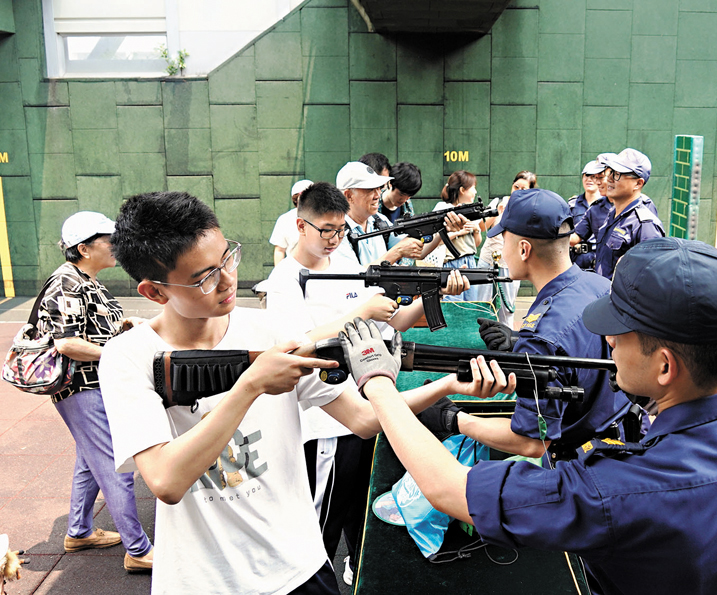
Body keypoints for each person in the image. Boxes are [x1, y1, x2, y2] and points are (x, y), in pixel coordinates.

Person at [339, 237, 717, 595]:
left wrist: (378, 383)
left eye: (620, 332)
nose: (610, 341)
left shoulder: (619, 486)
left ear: (665, 366)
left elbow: (450, 489)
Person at [99, 191, 487, 594]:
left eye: (227, 258)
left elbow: (365, 420)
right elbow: (165, 480)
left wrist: (450, 383)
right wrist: (250, 386)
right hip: (205, 580)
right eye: (204, 277)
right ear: (155, 292)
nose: (229, 279)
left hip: (298, 566)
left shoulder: (270, 332)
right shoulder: (129, 356)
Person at [264, 182, 469, 576]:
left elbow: (392, 324)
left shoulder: (344, 266)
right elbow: (296, 347)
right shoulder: (285, 281)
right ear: (299, 224)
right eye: (326, 230)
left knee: (361, 516)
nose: (334, 238)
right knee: (321, 523)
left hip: (368, 406)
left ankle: (357, 572)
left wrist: (435, 291)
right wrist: (361, 312)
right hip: (324, 421)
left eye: (340, 230)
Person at [451, 188, 631, 468]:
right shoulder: (600, 285)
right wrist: (519, 343)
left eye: (504, 239)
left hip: (576, 469)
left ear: (524, 249)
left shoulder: (541, 336)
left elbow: (531, 442)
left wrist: (454, 419)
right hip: (621, 447)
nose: (501, 248)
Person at [37, 211, 153, 573]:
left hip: (94, 385)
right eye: (108, 239)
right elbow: (67, 342)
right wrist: (116, 354)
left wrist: (125, 324)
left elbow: (93, 325)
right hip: (80, 389)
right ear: (84, 248)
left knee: (90, 460)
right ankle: (138, 549)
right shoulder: (66, 283)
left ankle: (79, 531)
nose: (115, 245)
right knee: (116, 467)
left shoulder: (88, 279)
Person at [333, 161, 437, 266]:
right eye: (370, 189)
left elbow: (414, 249)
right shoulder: (334, 232)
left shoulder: (379, 221)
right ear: (349, 195)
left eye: (378, 188)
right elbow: (352, 277)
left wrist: (442, 230)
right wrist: (396, 252)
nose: (377, 195)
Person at [591, 148, 665, 279]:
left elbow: (652, 276)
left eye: (617, 174)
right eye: (611, 172)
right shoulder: (613, 214)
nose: (610, 179)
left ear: (638, 183)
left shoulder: (645, 225)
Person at [474, 170, 535, 326]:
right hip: (488, 260)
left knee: (507, 309)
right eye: (516, 187)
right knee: (482, 305)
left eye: (524, 189)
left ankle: (505, 344)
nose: (518, 192)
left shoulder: (531, 210)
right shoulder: (498, 203)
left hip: (511, 265)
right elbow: (482, 227)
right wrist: (495, 213)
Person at [433, 170, 484, 301]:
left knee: (472, 306)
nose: (475, 192)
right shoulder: (443, 208)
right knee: (453, 307)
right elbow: (436, 241)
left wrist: (476, 230)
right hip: (452, 264)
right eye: (473, 188)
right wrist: (459, 232)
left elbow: (476, 244)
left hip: (471, 262)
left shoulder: (471, 211)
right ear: (462, 190)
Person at [567, 161, 606, 270]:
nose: (589, 179)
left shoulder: (609, 206)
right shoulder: (572, 204)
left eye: (594, 176)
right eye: (587, 175)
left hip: (599, 259)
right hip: (576, 260)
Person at [270, 179, 313, 266]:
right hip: (295, 268)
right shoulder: (285, 220)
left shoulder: (325, 217)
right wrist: (279, 274)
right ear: (296, 199)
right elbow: (279, 250)